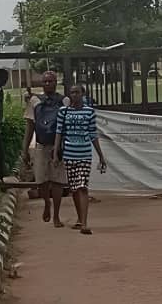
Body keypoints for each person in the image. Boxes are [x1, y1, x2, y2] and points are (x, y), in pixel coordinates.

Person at [53, 83, 106, 235]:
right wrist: (56, 153)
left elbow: (93, 134)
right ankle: (79, 218)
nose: (74, 95)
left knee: (82, 186)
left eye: (77, 92)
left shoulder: (89, 112)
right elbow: (59, 133)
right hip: (69, 155)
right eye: (71, 93)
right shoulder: (64, 112)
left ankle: (84, 223)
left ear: (83, 94)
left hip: (84, 154)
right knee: (74, 188)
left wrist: (101, 155)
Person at [26, 71, 67, 225]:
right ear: (42, 84)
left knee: (57, 181)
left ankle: (56, 214)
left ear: (56, 82)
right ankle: (46, 203)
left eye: (50, 81)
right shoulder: (35, 101)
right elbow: (29, 127)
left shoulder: (65, 101)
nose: (48, 84)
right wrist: (25, 151)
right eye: (45, 81)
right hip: (41, 146)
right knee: (41, 180)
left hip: (58, 147)